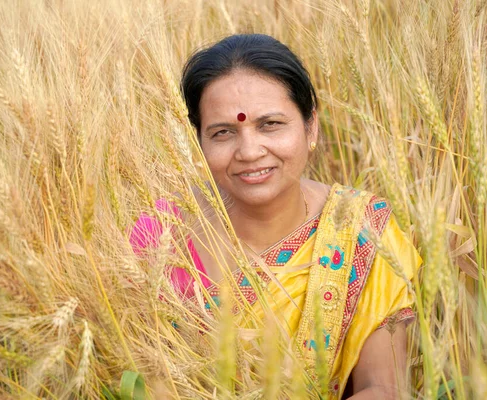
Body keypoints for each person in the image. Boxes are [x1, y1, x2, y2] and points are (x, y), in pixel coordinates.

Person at [130, 34, 420, 399]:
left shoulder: (361, 229)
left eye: (270, 125)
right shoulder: (161, 235)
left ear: (310, 126)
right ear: (200, 142)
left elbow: (382, 388)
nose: (249, 151)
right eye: (223, 132)